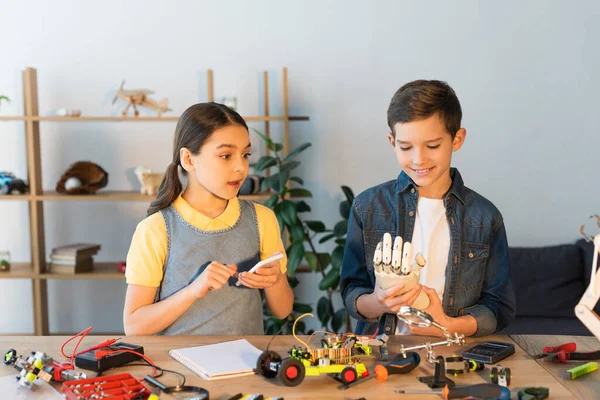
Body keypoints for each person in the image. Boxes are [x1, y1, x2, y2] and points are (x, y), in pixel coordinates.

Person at [340, 80, 515, 337]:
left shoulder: (486, 217)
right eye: (406, 147)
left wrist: (448, 326)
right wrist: (377, 302)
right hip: (381, 356)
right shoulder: (367, 207)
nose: (418, 159)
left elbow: (499, 306)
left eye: (432, 146)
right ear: (392, 141)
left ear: (457, 139)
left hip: (455, 356)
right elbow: (351, 290)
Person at [123, 103, 293, 335]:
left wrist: (274, 281)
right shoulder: (155, 230)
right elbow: (134, 326)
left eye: (245, 155)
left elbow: (283, 311)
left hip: (245, 364)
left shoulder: (262, 219)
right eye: (226, 156)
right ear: (189, 160)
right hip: (179, 368)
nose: (241, 168)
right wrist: (193, 291)